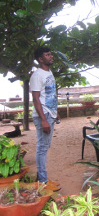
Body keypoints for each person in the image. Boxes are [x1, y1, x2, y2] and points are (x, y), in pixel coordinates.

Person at [29, 46, 61, 191]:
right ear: (40, 59)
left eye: (50, 54)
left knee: (45, 146)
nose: (51, 56)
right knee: (42, 147)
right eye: (47, 55)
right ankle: (43, 182)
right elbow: (36, 99)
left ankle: (42, 178)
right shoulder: (37, 75)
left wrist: (56, 111)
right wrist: (43, 119)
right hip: (43, 115)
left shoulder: (49, 72)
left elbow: (50, 94)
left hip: (50, 113)